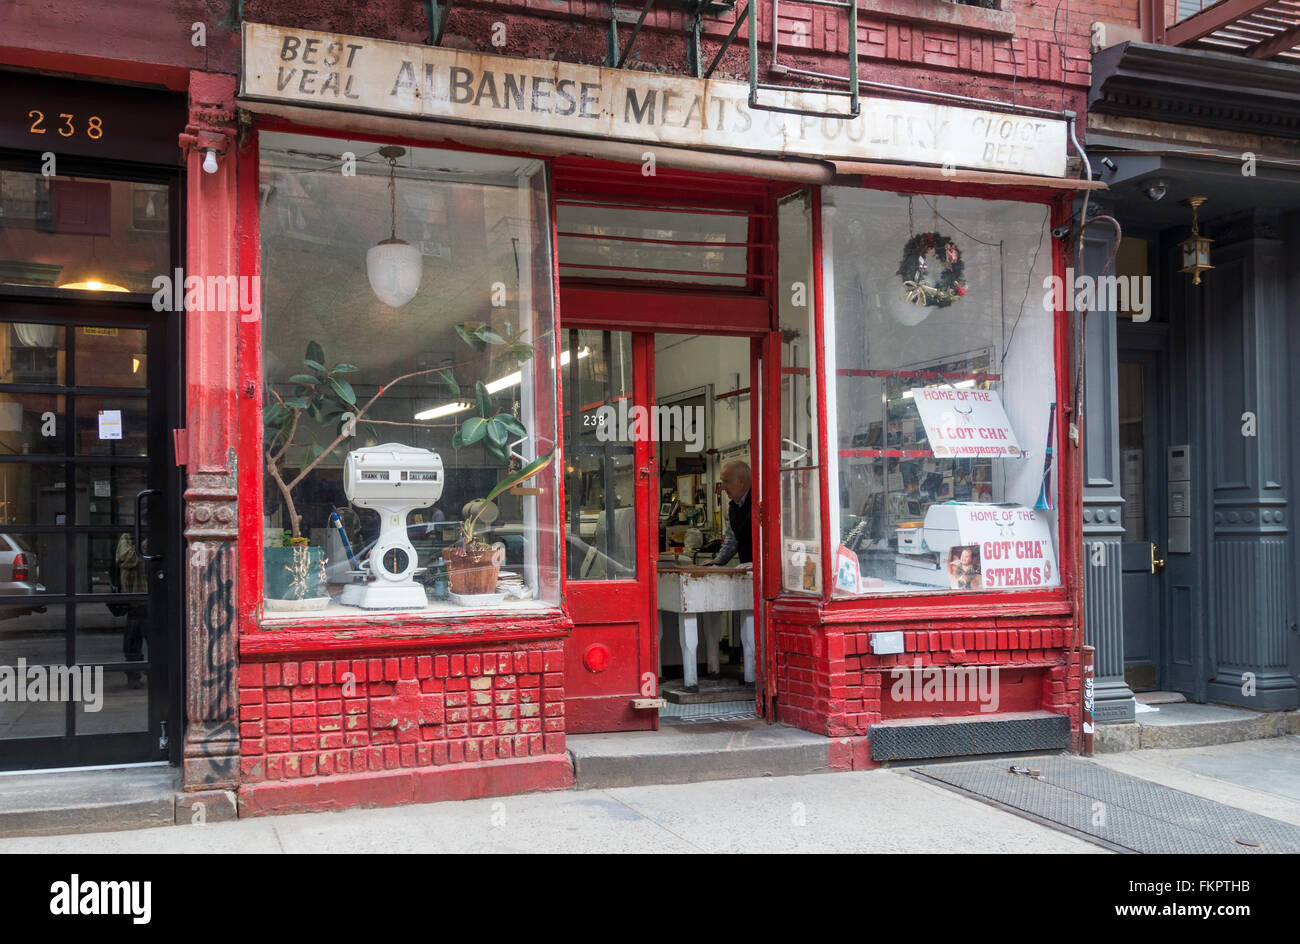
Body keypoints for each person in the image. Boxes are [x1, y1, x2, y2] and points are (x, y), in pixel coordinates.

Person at [706, 460, 752, 568]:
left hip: (764, 571)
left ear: (741, 482)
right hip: (747, 572)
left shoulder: (759, 502)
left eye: (726, 482)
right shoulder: (734, 506)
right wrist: (716, 562)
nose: (722, 487)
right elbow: (732, 540)